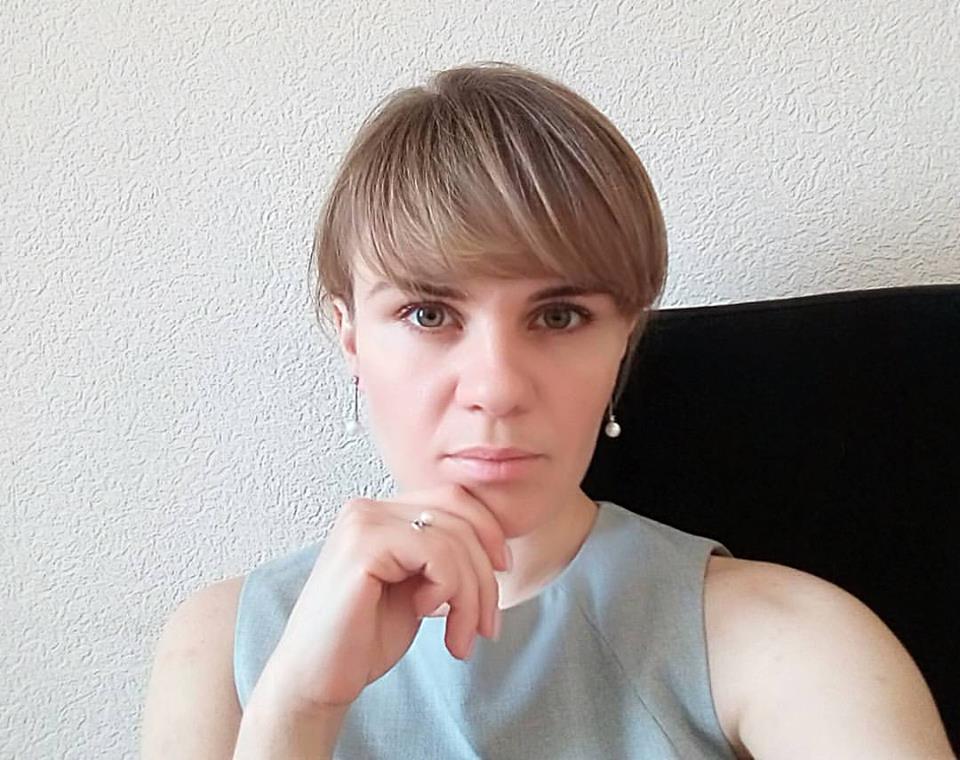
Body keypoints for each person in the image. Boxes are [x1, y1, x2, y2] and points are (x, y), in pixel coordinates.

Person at [140, 62, 954, 759]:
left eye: (560, 316)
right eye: (428, 314)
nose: (496, 388)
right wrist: (296, 713)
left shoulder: (782, 638)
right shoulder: (221, 649)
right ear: (349, 335)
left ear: (624, 338)